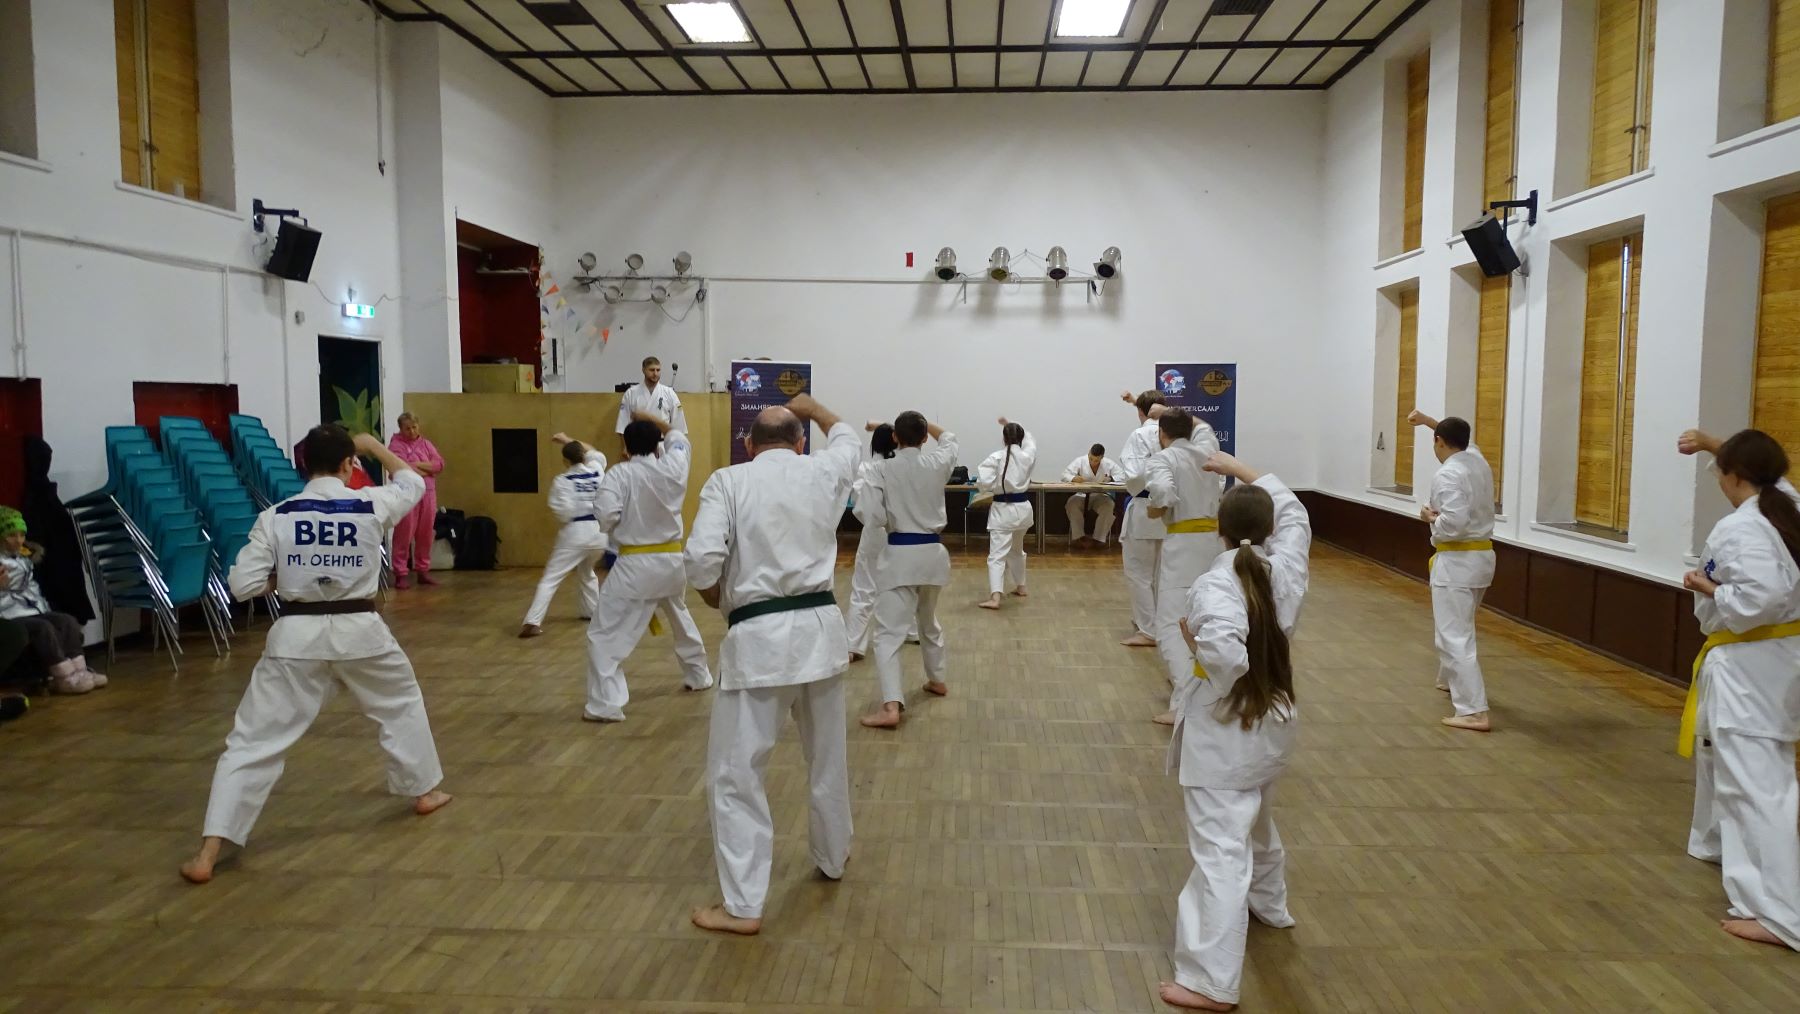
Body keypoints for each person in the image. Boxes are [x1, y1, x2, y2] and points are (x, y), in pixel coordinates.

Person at [180, 427, 451, 884]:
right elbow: (414, 482)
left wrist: (283, 579)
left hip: (295, 637)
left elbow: (242, 586)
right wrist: (373, 446)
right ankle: (423, 792)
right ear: (348, 465)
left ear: (303, 466)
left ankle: (209, 851)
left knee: (252, 742)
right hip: (362, 632)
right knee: (400, 705)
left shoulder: (277, 515)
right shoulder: (369, 504)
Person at [684, 394, 859, 935]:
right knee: (826, 757)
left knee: (737, 773)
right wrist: (815, 408)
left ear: (748, 444)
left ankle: (743, 905)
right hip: (821, 633)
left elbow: (700, 561)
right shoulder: (823, 470)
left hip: (758, 640)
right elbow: (848, 440)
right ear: (800, 443)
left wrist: (718, 597)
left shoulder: (728, 481)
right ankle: (833, 856)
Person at [1160, 450, 1308, 1012]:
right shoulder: (1284, 567)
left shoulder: (1215, 583)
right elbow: (1295, 513)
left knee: (1221, 848)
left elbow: (1224, 653)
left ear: (1218, 531)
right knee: (1258, 815)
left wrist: (1199, 653)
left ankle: (1210, 980)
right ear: (1269, 531)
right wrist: (1240, 469)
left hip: (1229, 725)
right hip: (1274, 715)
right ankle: (1269, 903)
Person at [1676, 428, 1800, 950]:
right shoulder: (1786, 506)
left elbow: (1760, 599)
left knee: (1757, 787)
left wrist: (1708, 586)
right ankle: (1755, 889)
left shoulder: (1743, 527)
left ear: (1734, 477)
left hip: (1750, 666)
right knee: (1750, 779)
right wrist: (1714, 445)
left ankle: (1783, 914)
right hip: (1774, 662)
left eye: (1721, 473)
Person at [584, 412, 713, 722]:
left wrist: (623, 521)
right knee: (679, 615)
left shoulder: (619, 474)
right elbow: (679, 439)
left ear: (626, 448)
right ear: (658, 446)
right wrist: (658, 425)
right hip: (671, 561)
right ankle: (698, 674)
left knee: (603, 633)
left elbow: (606, 517)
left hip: (635, 564)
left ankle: (605, 704)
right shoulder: (673, 466)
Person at [853, 411, 957, 729]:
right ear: (925, 438)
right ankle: (937, 679)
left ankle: (890, 707)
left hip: (900, 555)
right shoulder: (937, 462)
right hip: (933, 555)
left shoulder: (880, 469)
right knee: (928, 619)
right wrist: (923, 425)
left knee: (888, 634)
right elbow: (949, 438)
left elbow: (869, 515)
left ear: (895, 437)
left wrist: (887, 515)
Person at [1408, 410, 1496, 733]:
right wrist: (1427, 421)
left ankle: (1473, 711)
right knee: (1460, 624)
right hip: (1482, 558)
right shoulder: (1477, 461)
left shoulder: (1447, 474)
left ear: (1439, 442)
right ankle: (1449, 679)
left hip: (1458, 561)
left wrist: (1430, 518)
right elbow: (1458, 439)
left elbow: (1453, 524)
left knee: (1454, 635)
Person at [1145, 409, 1225, 725]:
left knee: (1170, 625)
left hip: (1183, 547)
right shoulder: (1207, 451)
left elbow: (1163, 493)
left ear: (1161, 433)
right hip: (1214, 543)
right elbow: (1205, 428)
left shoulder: (1164, 458)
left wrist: (1155, 508)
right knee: (1204, 617)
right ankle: (1206, 692)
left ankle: (1184, 703)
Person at [0, 506, 105, 694]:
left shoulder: (25, 556)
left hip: (32, 609)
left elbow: (31, 587)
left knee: (67, 621)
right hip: (8, 613)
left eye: (22, 535)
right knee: (43, 628)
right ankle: (63, 676)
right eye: (11, 535)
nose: (18, 540)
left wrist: (41, 606)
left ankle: (80, 671)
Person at [520, 433, 609, 638]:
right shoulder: (597, 471)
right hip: (599, 534)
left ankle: (532, 622)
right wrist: (567, 439)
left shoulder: (562, 481)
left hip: (576, 533)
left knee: (550, 578)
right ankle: (593, 612)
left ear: (565, 461)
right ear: (584, 457)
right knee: (587, 571)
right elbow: (594, 451)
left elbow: (564, 512)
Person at [846, 421, 902, 661]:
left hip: (874, 532)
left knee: (864, 587)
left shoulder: (865, 470)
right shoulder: (903, 468)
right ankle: (910, 631)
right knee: (904, 585)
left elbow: (860, 506)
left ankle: (854, 644)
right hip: (902, 532)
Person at [1119, 389, 1169, 647]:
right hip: (1174, 511)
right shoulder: (1182, 434)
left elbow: (1134, 475)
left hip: (1145, 508)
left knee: (1139, 573)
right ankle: (1162, 625)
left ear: (1141, 411)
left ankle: (1148, 630)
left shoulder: (1140, 435)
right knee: (1163, 573)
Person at [976, 418, 1036, 611]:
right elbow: (1031, 441)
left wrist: (991, 485)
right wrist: (1010, 423)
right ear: (1021, 439)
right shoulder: (1028, 455)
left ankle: (995, 597)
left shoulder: (996, 457)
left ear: (1004, 439)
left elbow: (983, 483)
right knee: (1017, 550)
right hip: (1024, 510)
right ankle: (1021, 586)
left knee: (997, 555)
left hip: (1003, 511)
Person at [387, 413, 445, 588]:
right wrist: (427, 468)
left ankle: (423, 570)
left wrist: (417, 465)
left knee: (425, 533)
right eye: (407, 428)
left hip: (428, 493)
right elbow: (401, 468)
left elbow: (439, 464)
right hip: (406, 493)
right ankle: (400, 573)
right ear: (400, 429)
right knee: (404, 532)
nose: (412, 431)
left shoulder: (426, 444)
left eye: (414, 427)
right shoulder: (395, 446)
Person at [1063, 443, 1121, 548]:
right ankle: (1079, 537)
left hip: (1101, 495)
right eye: (1091, 459)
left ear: (1102, 457)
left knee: (1108, 506)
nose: (1093, 462)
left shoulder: (1108, 464)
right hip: (1082, 495)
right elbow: (1064, 475)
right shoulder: (1080, 461)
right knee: (1072, 504)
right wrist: (1073, 478)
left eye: (1096, 460)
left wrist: (1110, 478)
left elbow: (1123, 475)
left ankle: (1099, 539)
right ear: (1089, 453)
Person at [616, 356, 686, 434]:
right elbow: (622, 427)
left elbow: (679, 426)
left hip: (663, 440)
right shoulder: (631, 393)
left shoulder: (669, 393)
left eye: (658, 370)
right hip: (638, 439)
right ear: (643, 370)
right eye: (652, 370)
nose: (655, 373)